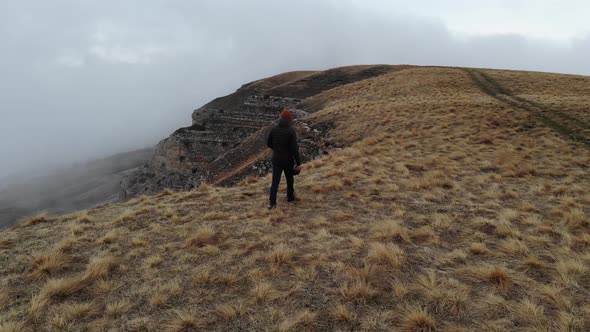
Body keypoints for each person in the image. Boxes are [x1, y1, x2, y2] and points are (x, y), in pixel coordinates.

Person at [266, 109, 301, 209]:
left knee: (275, 181)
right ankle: (290, 197)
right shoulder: (291, 131)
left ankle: (272, 203)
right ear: (289, 119)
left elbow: (268, 143)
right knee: (289, 179)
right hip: (287, 160)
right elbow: (294, 149)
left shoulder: (274, 129)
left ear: (281, 118)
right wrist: (298, 162)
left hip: (276, 159)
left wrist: (276, 149)